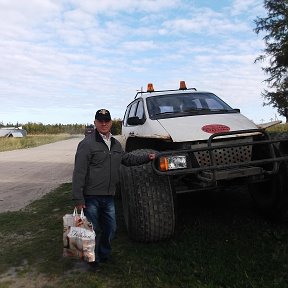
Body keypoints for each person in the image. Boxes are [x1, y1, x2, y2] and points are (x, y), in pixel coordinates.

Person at [72, 108, 155, 271]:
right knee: (92, 230)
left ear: (111, 123)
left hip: (109, 195)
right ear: (95, 122)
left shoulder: (115, 144)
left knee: (111, 229)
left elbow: (127, 159)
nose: (104, 124)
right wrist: (78, 198)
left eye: (107, 121)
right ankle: (91, 260)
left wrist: (147, 157)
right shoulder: (86, 144)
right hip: (91, 196)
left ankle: (103, 254)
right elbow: (79, 172)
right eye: (100, 121)